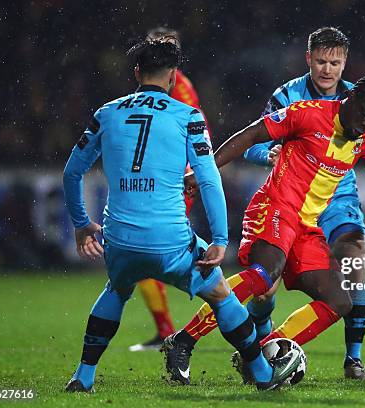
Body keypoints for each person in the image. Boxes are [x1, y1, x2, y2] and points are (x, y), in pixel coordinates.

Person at [172, 27, 365, 381]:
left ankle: (266, 351)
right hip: (276, 207)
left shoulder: (363, 128)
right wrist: (206, 171)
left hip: (309, 222)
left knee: (341, 301)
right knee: (265, 278)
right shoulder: (303, 110)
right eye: (321, 60)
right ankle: (184, 340)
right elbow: (251, 135)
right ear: (349, 101)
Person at [62, 37, 300, 392]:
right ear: (173, 76)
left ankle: (83, 376)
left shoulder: (106, 114)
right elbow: (207, 178)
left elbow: (71, 173)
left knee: (117, 288)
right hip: (171, 241)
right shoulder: (188, 116)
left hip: (120, 240)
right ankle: (264, 375)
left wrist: (82, 224)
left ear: (137, 72)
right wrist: (220, 239)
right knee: (222, 295)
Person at [129, 26, 212, 353]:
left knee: (153, 254)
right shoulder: (152, 90)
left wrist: (191, 173)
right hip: (157, 181)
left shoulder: (182, 90)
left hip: (174, 183)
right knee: (147, 256)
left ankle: (226, 301)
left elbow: (197, 129)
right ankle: (169, 328)